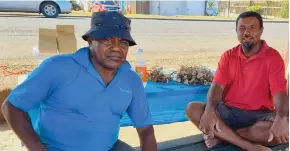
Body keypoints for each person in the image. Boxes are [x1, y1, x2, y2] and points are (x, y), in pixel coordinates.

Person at [1, 11, 158, 151]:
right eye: (108, 40)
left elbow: (145, 130)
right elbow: (12, 106)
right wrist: (37, 148)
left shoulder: (131, 80)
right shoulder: (58, 67)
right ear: (90, 41)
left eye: (123, 43)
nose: (117, 48)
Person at [186, 11, 289, 151]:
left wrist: (281, 118)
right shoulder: (228, 56)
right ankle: (248, 145)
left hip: (260, 115)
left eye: (252, 27)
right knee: (193, 109)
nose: (246, 32)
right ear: (236, 31)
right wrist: (209, 110)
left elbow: (280, 93)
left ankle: (223, 135)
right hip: (229, 112)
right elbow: (216, 88)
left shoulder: (273, 57)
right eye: (242, 28)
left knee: (285, 129)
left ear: (261, 30)